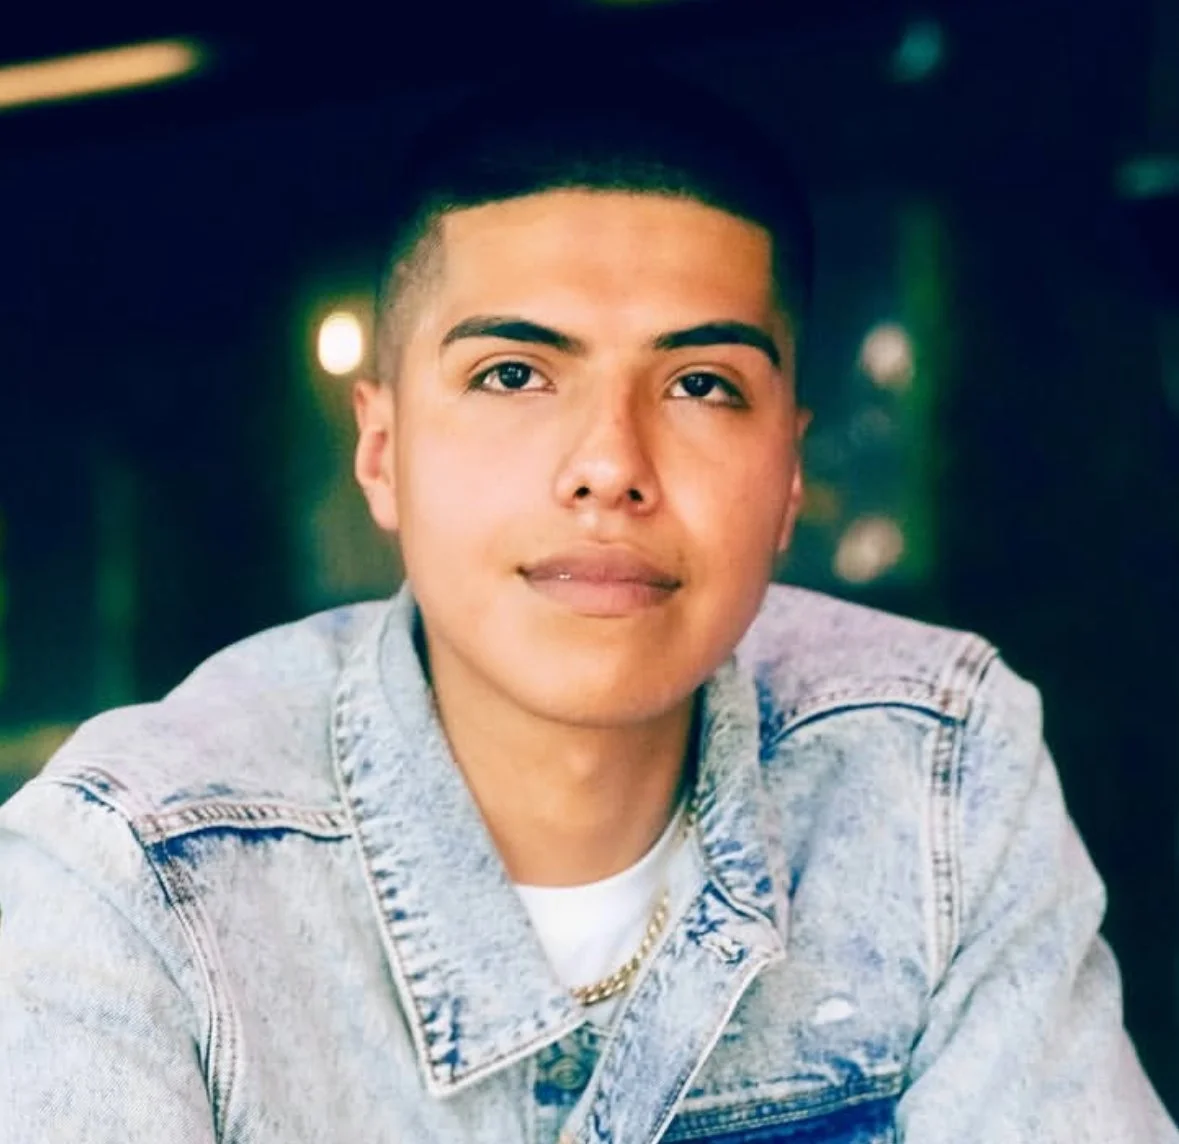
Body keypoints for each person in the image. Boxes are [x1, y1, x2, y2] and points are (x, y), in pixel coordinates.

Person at [0, 68, 1174, 1144]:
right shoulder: (136, 877)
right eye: (514, 374)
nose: (610, 465)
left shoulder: (930, 767)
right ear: (383, 451)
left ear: (789, 474)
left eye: (702, 383)